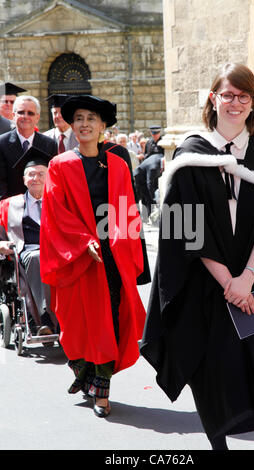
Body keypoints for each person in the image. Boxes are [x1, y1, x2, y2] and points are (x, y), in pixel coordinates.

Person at [140, 63, 254, 450]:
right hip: (206, 287)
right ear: (213, 99)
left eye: (244, 96)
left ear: (253, 103)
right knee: (214, 376)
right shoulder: (189, 157)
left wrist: (246, 280)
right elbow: (185, 232)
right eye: (228, 94)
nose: (235, 103)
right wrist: (229, 282)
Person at [39, 95, 146, 418]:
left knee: (107, 322)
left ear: (103, 127)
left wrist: (124, 246)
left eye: (91, 119)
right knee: (75, 325)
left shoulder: (117, 163)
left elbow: (127, 209)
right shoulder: (60, 165)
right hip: (76, 257)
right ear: (72, 125)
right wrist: (84, 241)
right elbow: (55, 212)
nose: (84, 124)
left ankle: (102, 391)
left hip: (111, 257)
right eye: (79, 119)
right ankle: (84, 371)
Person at [0, 147, 57, 336]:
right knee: (38, 257)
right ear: (24, 180)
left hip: (58, 251)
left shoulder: (60, 202)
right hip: (27, 252)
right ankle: (43, 319)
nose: (36, 178)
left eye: (41, 174)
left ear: (48, 178)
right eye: (31, 174)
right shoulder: (9, 205)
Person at [0, 95, 57, 200]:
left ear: (37, 117)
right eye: (21, 112)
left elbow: (53, 179)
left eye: (30, 113)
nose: (25, 116)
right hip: (12, 206)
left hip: (42, 205)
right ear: (13, 115)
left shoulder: (50, 144)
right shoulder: (2, 143)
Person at [133, 125, 165, 219]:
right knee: (144, 192)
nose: (155, 135)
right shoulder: (149, 142)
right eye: (153, 133)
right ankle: (146, 215)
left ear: (160, 133)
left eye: (157, 133)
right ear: (150, 133)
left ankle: (154, 212)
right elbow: (146, 155)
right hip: (148, 169)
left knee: (152, 189)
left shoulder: (163, 143)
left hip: (157, 172)